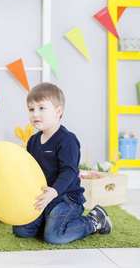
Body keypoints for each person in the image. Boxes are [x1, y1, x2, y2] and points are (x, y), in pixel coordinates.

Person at [13, 82, 112, 245]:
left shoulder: (66, 139)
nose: (35, 114)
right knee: (21, 230)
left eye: (41, 108)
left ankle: (94, 221)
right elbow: (29, 170)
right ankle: (48, 221)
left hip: (66, 198)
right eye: (31, 109)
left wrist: (54, 191)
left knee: (54, 236)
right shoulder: (33, 141)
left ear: (58, 111)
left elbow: (69, 171)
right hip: (43, 197)